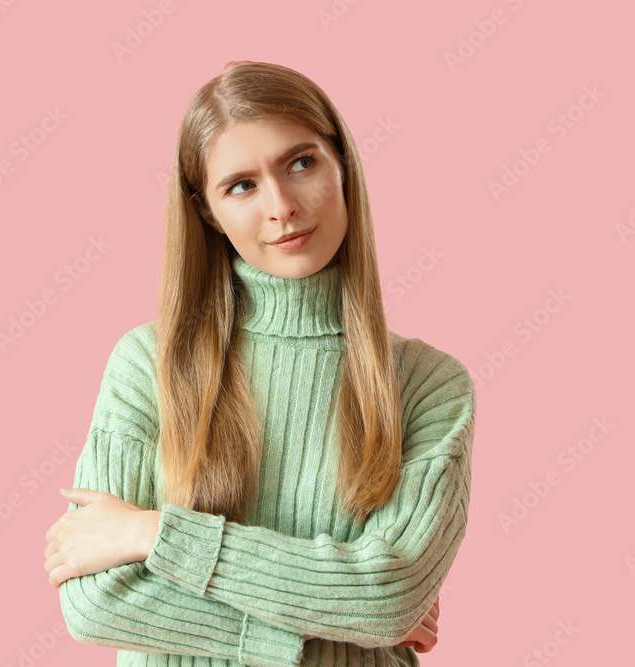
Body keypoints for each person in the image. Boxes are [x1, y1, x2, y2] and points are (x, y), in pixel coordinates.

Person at [43, 60, 476, 667]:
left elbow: (388, 600)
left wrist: (153, 535)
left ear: (342, 168)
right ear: (207, 213)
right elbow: (96, 601)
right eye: (241, 185)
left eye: (301, 163)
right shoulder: (148, 365)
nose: (282, 207)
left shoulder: (430, 386)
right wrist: (317, 629)